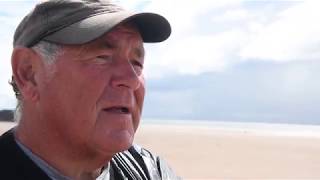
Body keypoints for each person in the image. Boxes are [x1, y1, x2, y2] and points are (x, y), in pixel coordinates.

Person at [0, 0, 180, 179]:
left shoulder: (150, 172)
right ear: (29, 73)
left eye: (136, 62)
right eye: (102, 57)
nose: (132, 80)